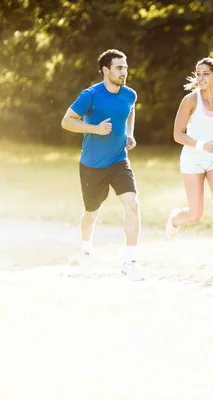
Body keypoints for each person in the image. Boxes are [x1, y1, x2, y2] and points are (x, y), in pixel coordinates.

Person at [60, 49, 143, 281]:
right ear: (106, 70)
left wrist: (129, 133)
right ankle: (86, 254)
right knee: (91, 214)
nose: (124, 72)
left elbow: (130, 111)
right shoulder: (91, 95)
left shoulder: (129, 95)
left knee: (133, 205)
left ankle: (131, 261)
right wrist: (95, 129)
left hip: (119, 160)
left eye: (125, 67)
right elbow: (67, 121)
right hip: (92, 165)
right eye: (119, 68)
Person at [165, 57, 213, 275]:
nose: (201, 78)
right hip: (192, 160)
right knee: (195, 214)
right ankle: (175, 218)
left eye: (206, 73)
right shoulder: (190, 100)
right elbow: (177, 134)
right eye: (198, 73)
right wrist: (200, 145)